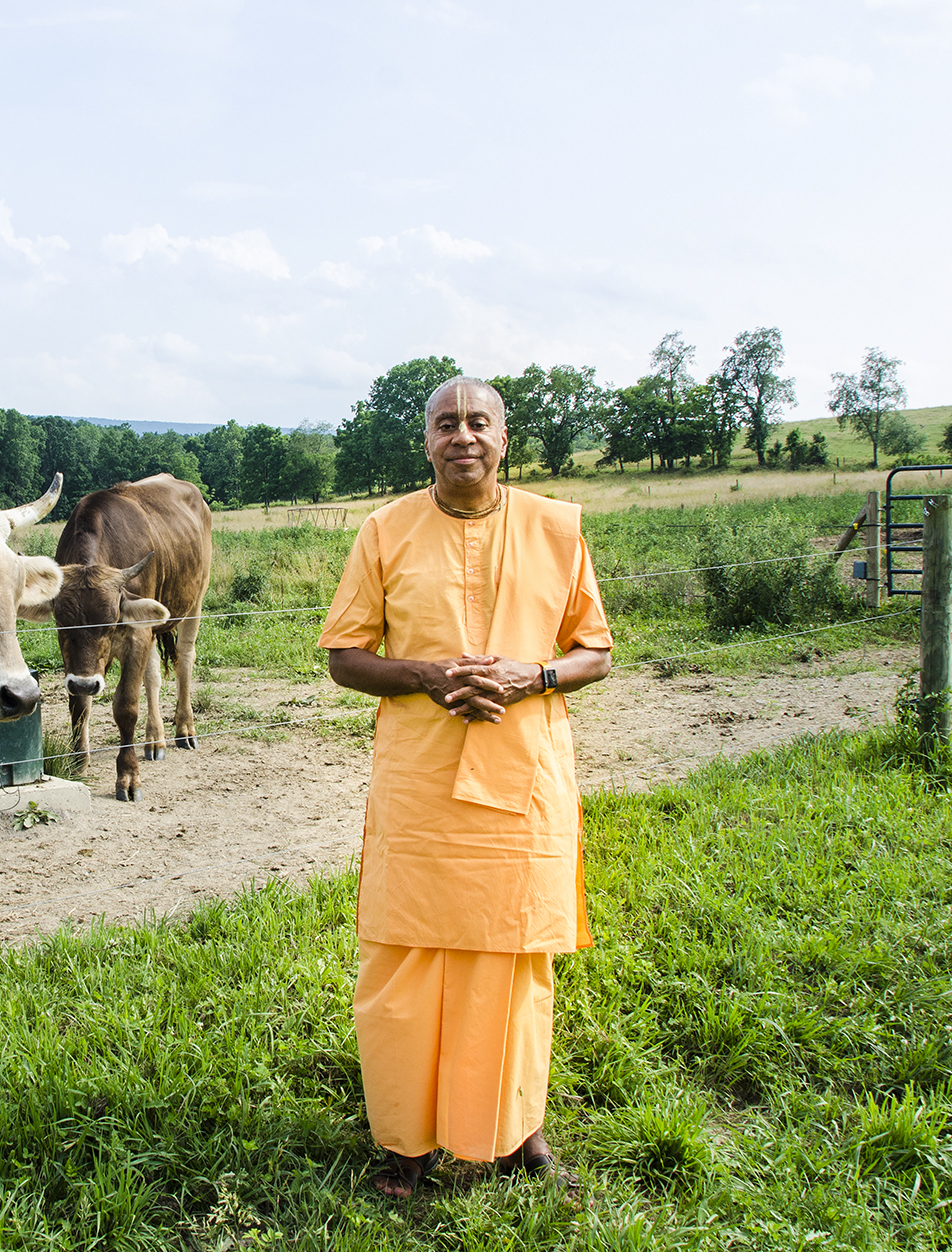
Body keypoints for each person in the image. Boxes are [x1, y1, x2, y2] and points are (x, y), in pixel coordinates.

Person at [318, 375, 613, 1198]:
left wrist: (535, 674)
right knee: (406, 961)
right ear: (427, 443)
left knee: (514, 960)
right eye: (446, 424)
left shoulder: (557, 529)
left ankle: (520, 1129)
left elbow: (596, 650)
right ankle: (406, 1144)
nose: (463, 436)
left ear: (504, 438)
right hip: (421, 784)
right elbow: (346, 655)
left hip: (523, 777)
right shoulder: (385, 531)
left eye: (479, 422)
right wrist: (424, 674)